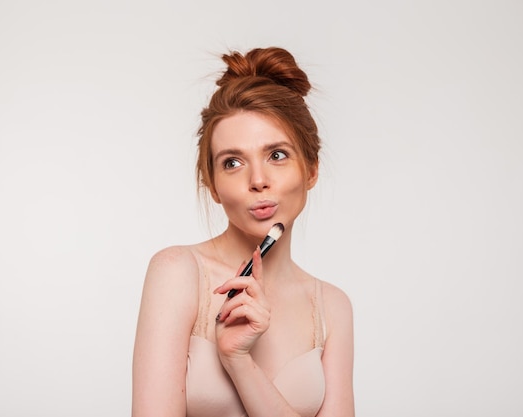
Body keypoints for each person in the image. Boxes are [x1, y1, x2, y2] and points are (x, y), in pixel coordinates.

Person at [132, 46, 355, 417]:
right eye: (232, 162)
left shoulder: (331, 307)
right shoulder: (177, 272)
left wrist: (240, 363)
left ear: (311, 170)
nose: (257, 180)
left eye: (277, 155)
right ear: (214, 185)